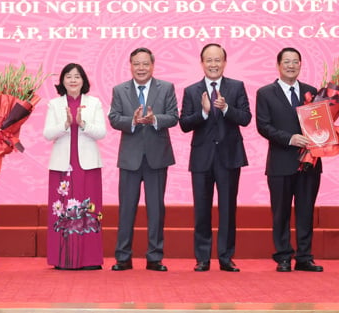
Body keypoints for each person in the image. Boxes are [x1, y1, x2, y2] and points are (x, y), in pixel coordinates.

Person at [178, 43, 252, 272]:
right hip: (202, 159)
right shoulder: (192, 91)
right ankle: (202, 258)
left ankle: (226, 257)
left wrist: (227, 108)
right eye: (209, 60)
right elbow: (184, 124)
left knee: (228, 209)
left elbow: (246, 118)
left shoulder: (237, 87)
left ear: (225, 62)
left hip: (230, 157)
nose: (213, 64)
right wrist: (204, 112)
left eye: (217, 60)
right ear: (202, 63)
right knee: (201, 209)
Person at [107, 47, 179, 272]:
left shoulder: (166, 88)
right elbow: (114, 118)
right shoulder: (120, 90)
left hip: (157, 157)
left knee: (156, 209)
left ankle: (155, 257)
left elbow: (174, 116)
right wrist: (133, 121)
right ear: (130, 65)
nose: (141, 68)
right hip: (129, 158)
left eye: (145, 63)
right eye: (136, 64)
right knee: (126, 209)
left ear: (152, 65)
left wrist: (154, 119)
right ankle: (123, 257)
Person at [255, 47, 323, 272]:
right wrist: (290, 138)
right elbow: (263, 126)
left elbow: (320, 123)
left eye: (295, 61)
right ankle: (283, 256)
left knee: (306, 211)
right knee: (281, 212)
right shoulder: (265, 93)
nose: (291, 65)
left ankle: (304, 257)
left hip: (309, 163)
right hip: (280, 163)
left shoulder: (312, 92)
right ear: (278, 65)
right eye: (287, 61)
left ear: (300, 65)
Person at [42, 63, 107, 270]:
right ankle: (62, 259)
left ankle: (90, 259)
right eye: (68, 76)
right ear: (62, 81)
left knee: (89, 211)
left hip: (87, 165)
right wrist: (65, 125)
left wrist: (83, 124)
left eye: (77, 76)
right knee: (62, 212)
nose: (72, 80)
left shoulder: (94, 103)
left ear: (83, 80)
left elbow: (102, 133)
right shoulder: (54, 104)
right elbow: (47, 134)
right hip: (63, 165)